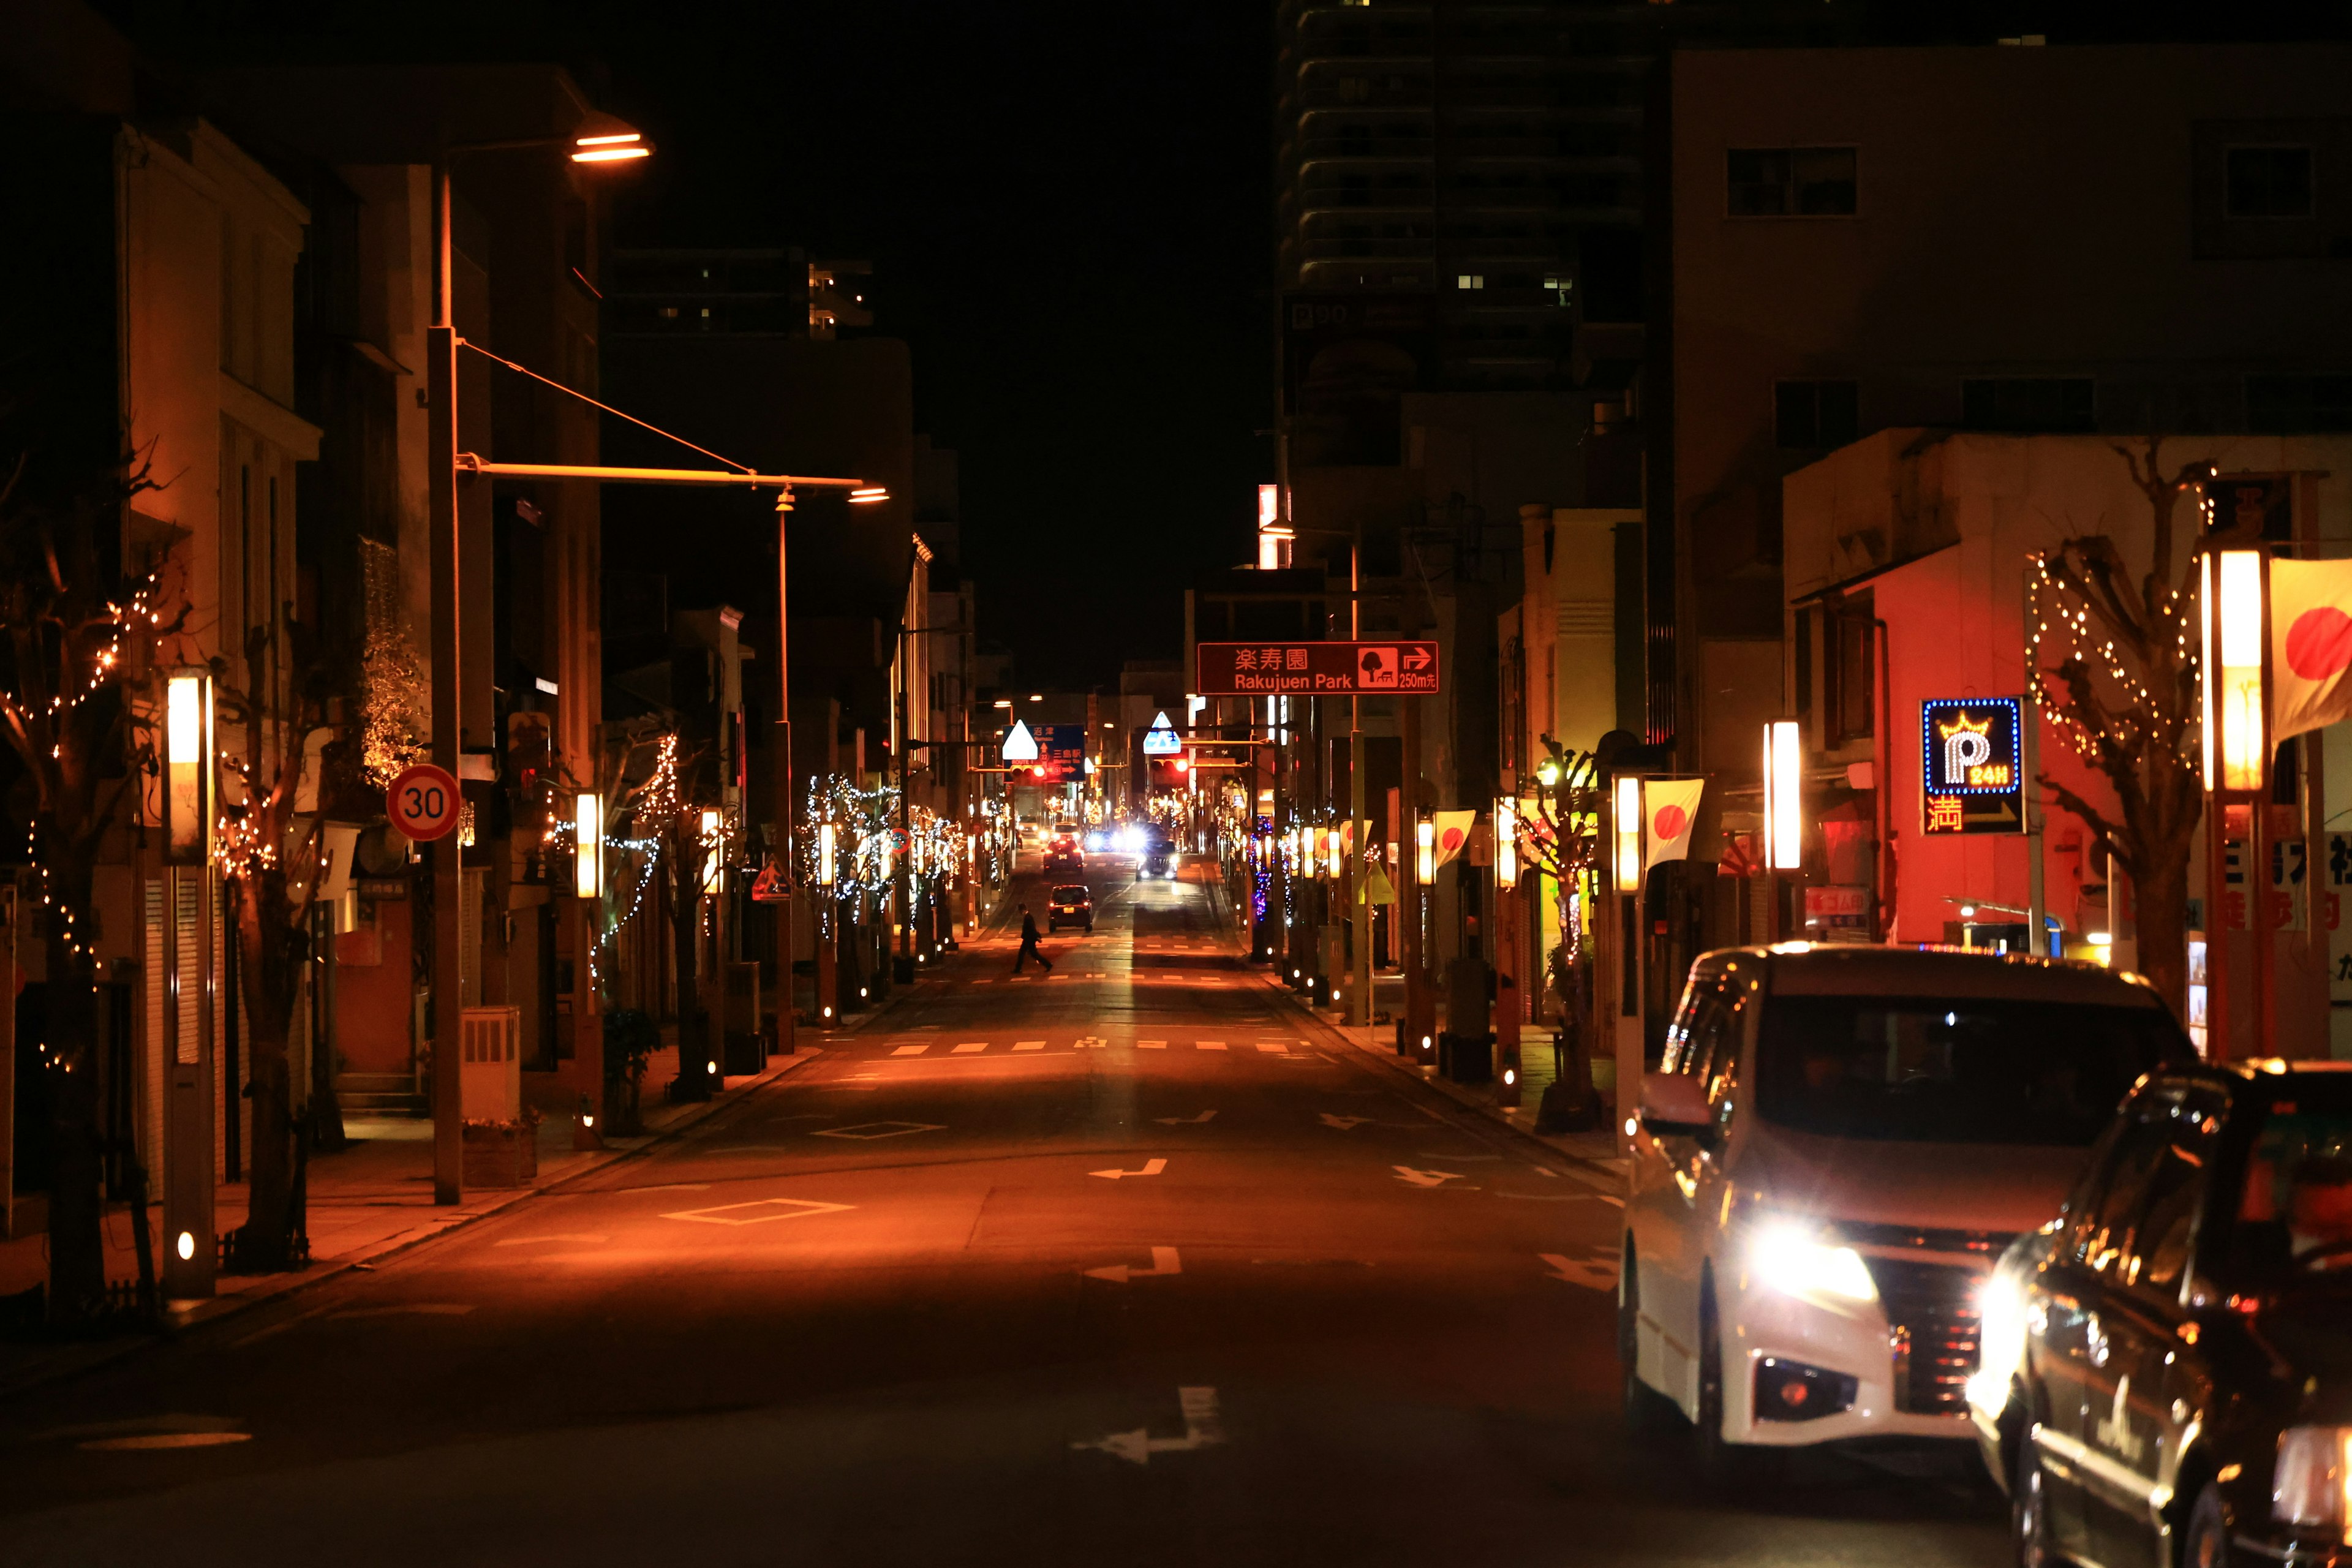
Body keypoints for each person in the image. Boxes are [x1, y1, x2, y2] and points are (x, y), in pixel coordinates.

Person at [1013, 905, 1054, 975]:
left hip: (1029, 940)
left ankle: (1048, 965)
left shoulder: (1028, 918)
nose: (1020, 913)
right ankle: (1018, 968)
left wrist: (1037, 938)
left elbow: (1032, 929)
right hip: (1027, 939)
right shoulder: (1028, 917)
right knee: (1022, 954)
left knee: (1034, 955)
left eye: (1020, 911)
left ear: (1023, 910)